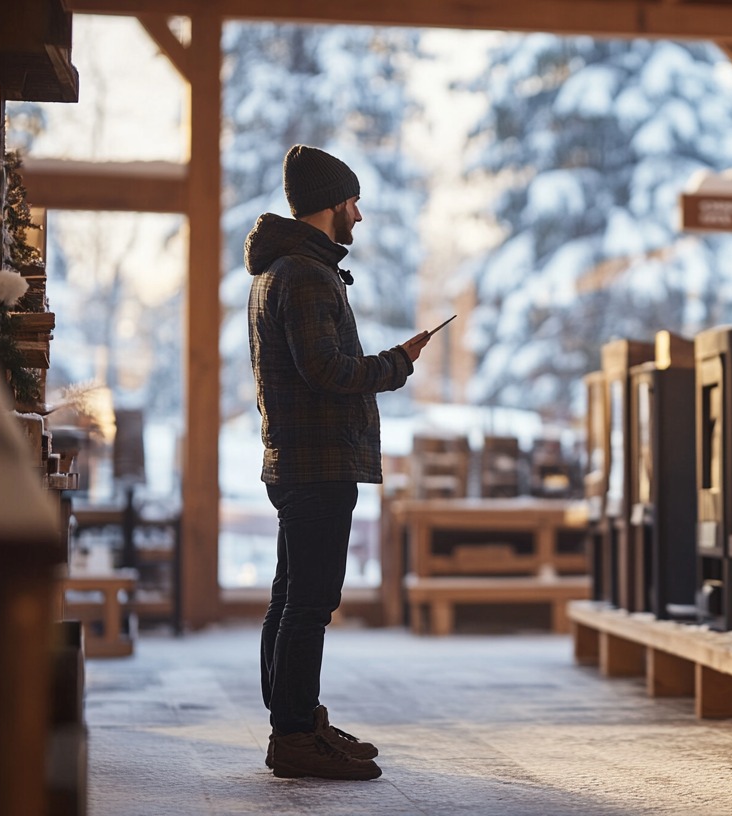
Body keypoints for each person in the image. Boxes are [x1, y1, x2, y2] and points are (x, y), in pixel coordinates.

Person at [245, 144, 431, 780]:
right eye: (353, 200)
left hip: (299, 460)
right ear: (331, 203)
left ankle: (295, 718)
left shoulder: (287, 270)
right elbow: (325, 370)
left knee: (290, 597)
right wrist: (396, 364)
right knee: (310, 603)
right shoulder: (303, 274)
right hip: (317, 462)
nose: (360, 214)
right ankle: (293, 735)